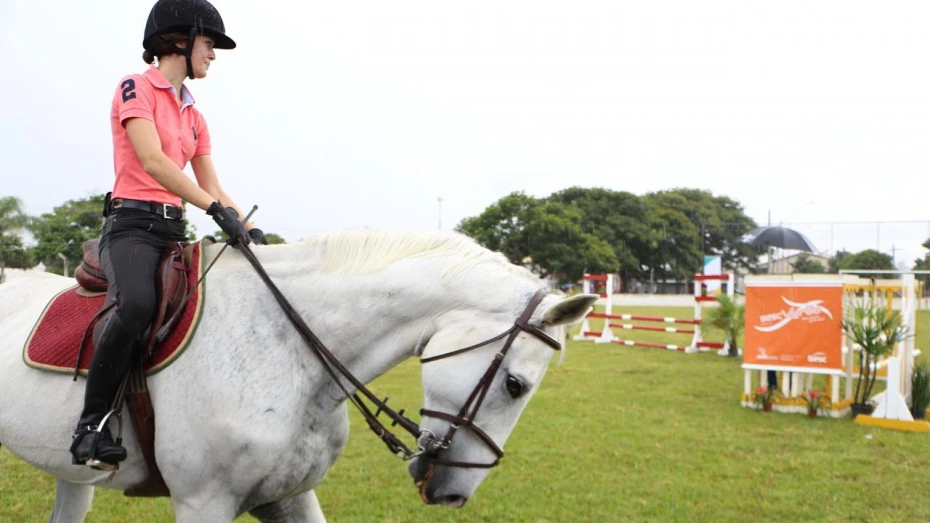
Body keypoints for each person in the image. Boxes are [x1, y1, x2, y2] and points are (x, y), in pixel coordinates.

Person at [70, 0, 268, 471]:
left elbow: (213, 185)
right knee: (137, 305)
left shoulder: (195, 116)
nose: (214, 55)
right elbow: (154, 161)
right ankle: (89, 428)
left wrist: (250, 226)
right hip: (132, 228)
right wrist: (214, 209)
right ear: (180, 40)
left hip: (173, 231)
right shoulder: (135, 87)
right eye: (210, 44)